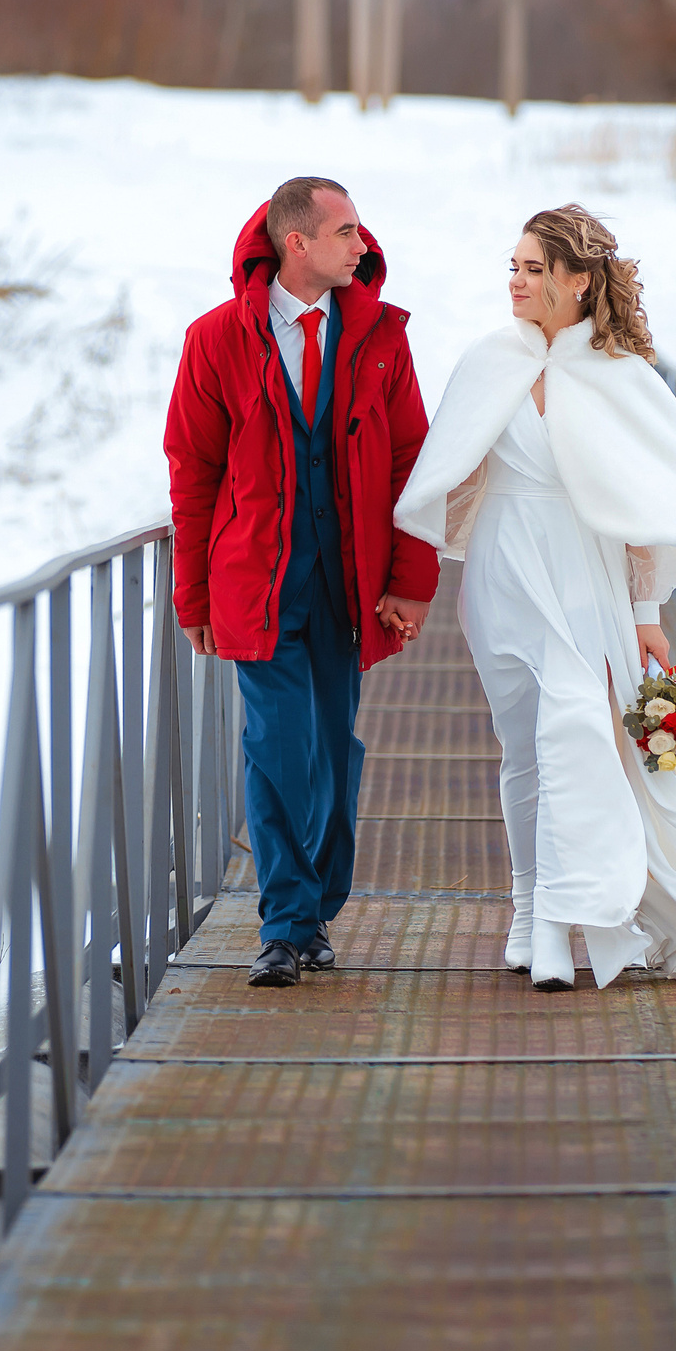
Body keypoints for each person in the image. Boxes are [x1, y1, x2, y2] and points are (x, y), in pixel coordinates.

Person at [392, 204, 676, 990]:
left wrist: (646, 616)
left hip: (582, 575)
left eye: (535, 269)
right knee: (525, 746)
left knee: (577, 731)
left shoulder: (620, 376)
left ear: (577, 279)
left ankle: (577, 919)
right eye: (514, 266)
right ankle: (529, 909)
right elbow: (453, 480)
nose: (518, 282)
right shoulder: (488, 360)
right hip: (500, 574)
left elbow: (644, 512)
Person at [165, 177, 440, 987]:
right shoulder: (215, 340)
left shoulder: (383, 337)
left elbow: (409, 464)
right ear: (298, 243)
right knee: (273, 742)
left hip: (348, 583)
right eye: (347, 231)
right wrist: (193, 595)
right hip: (256, 578)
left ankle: (316, 903)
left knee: (329, 745)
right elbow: (193, 472)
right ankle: (286, 922)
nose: (364, 244)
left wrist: (412, 583)